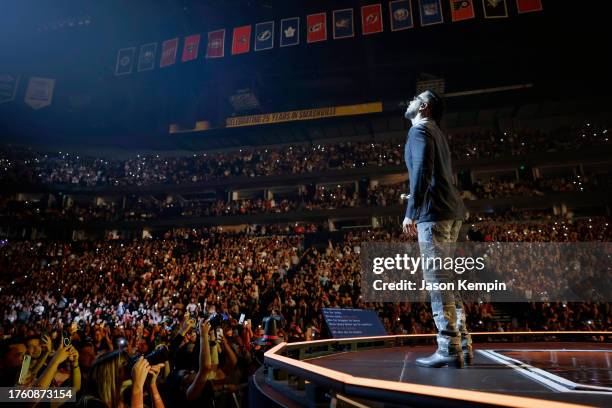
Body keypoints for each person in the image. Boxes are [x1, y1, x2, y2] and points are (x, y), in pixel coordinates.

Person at [402, 90, 473, 368]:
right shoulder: (437, 132)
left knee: (437, 281)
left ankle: (448, 348)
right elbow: (433, 175)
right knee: (448, 281)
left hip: (434, 215)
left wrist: (411, 212)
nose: (408, 101)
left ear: (424, 106)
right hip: (449, 211)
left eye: (414, 98)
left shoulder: (419, 131)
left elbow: (421, 171)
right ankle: (462, 345)